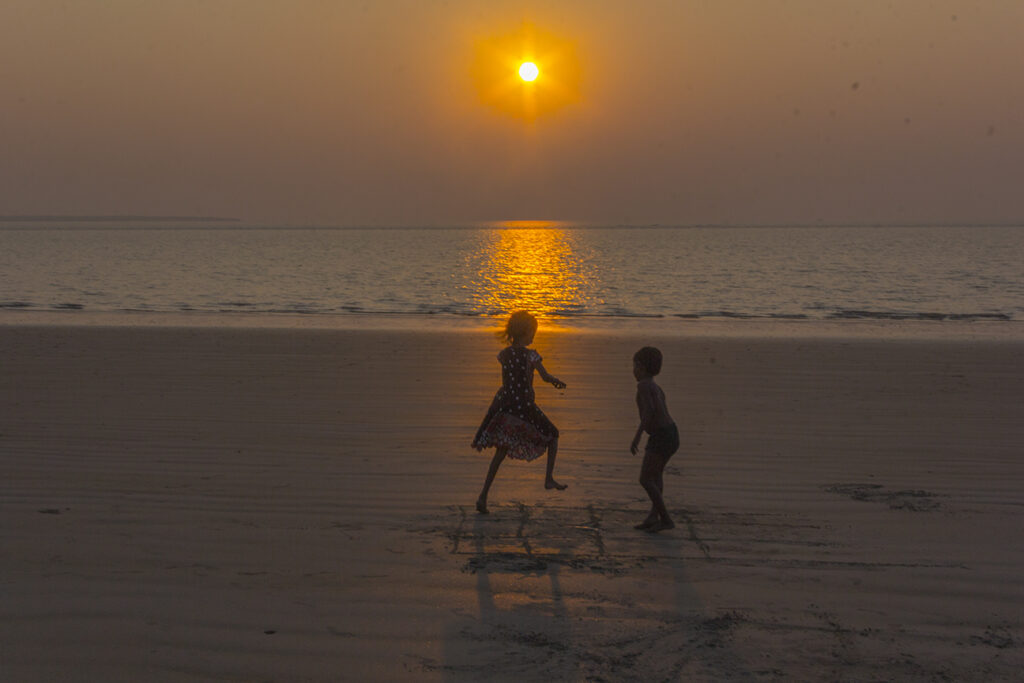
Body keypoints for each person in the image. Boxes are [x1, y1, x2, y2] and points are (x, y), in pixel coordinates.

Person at [472, 310, 567, 514]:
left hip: (506, 407)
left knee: (500, 452)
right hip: (524, 406)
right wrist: (556, 382)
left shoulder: (504, 354)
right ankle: (549, 478)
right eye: (533, 331)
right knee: (553, 435)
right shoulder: (531, 355)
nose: (534, 335)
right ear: (526, 332)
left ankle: (483, 496)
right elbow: (545, 376)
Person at [630, 346, 679, 532]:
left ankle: (666, 519)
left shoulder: (643, 385)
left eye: (634, 366)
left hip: (661, 436)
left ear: (641, 367)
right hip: (671, 433)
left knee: (645, 479)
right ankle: (653, 516)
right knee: (656, 475)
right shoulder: (655, 386)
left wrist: (637, 437)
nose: (633, 370)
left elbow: (649, 413)